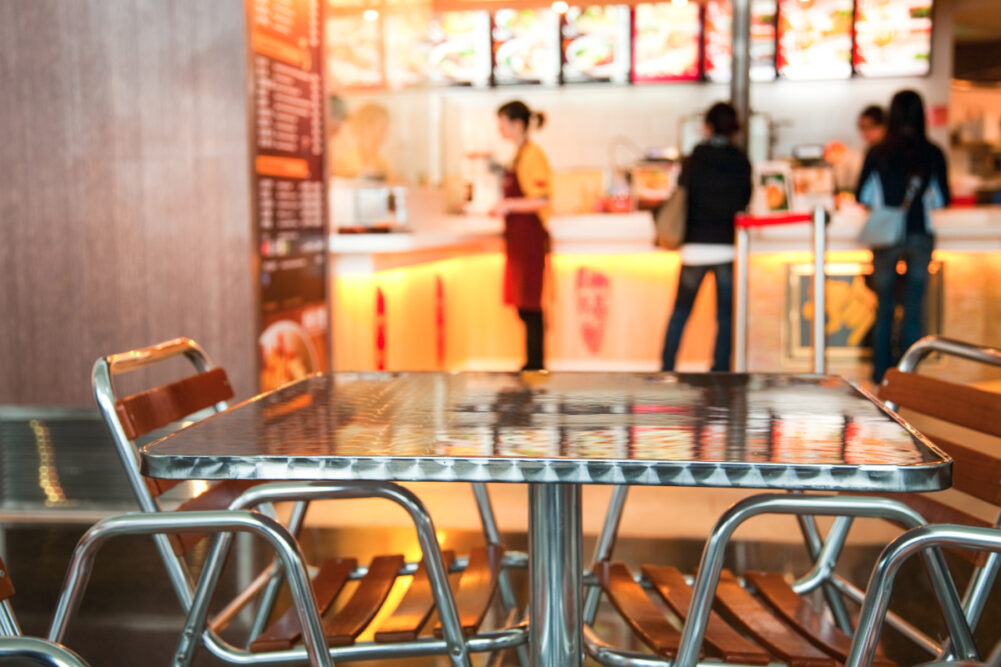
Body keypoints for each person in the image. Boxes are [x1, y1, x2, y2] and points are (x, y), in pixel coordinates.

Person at [856, 90, 950, 383]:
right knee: (913, 309)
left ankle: (881, 375)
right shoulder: (933, 152)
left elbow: (864, 195)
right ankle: (908, 381)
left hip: (886, 237)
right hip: (920, 234)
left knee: (884, 308)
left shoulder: (878, 152)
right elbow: (942, 198)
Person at [661, 102, 752, 372]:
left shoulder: (695, 158)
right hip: (726, 247)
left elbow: (680, 193)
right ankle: (720, 373)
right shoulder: (740, 159)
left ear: (708, 126)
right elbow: (745, 199)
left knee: (680, 313)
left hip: (694, 248)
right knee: (724, 319)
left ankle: (667, 370)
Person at [491, 101, 552, 371]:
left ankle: (535, 365)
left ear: (517, 124)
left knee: (531, 303)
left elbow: (543, 198)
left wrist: (509, 205)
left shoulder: (532, 155)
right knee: (524, 303)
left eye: (502, 123)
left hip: (529, 238)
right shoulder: (519, 154)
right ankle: (532, 363)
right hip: (519, 239)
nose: (499, 129)